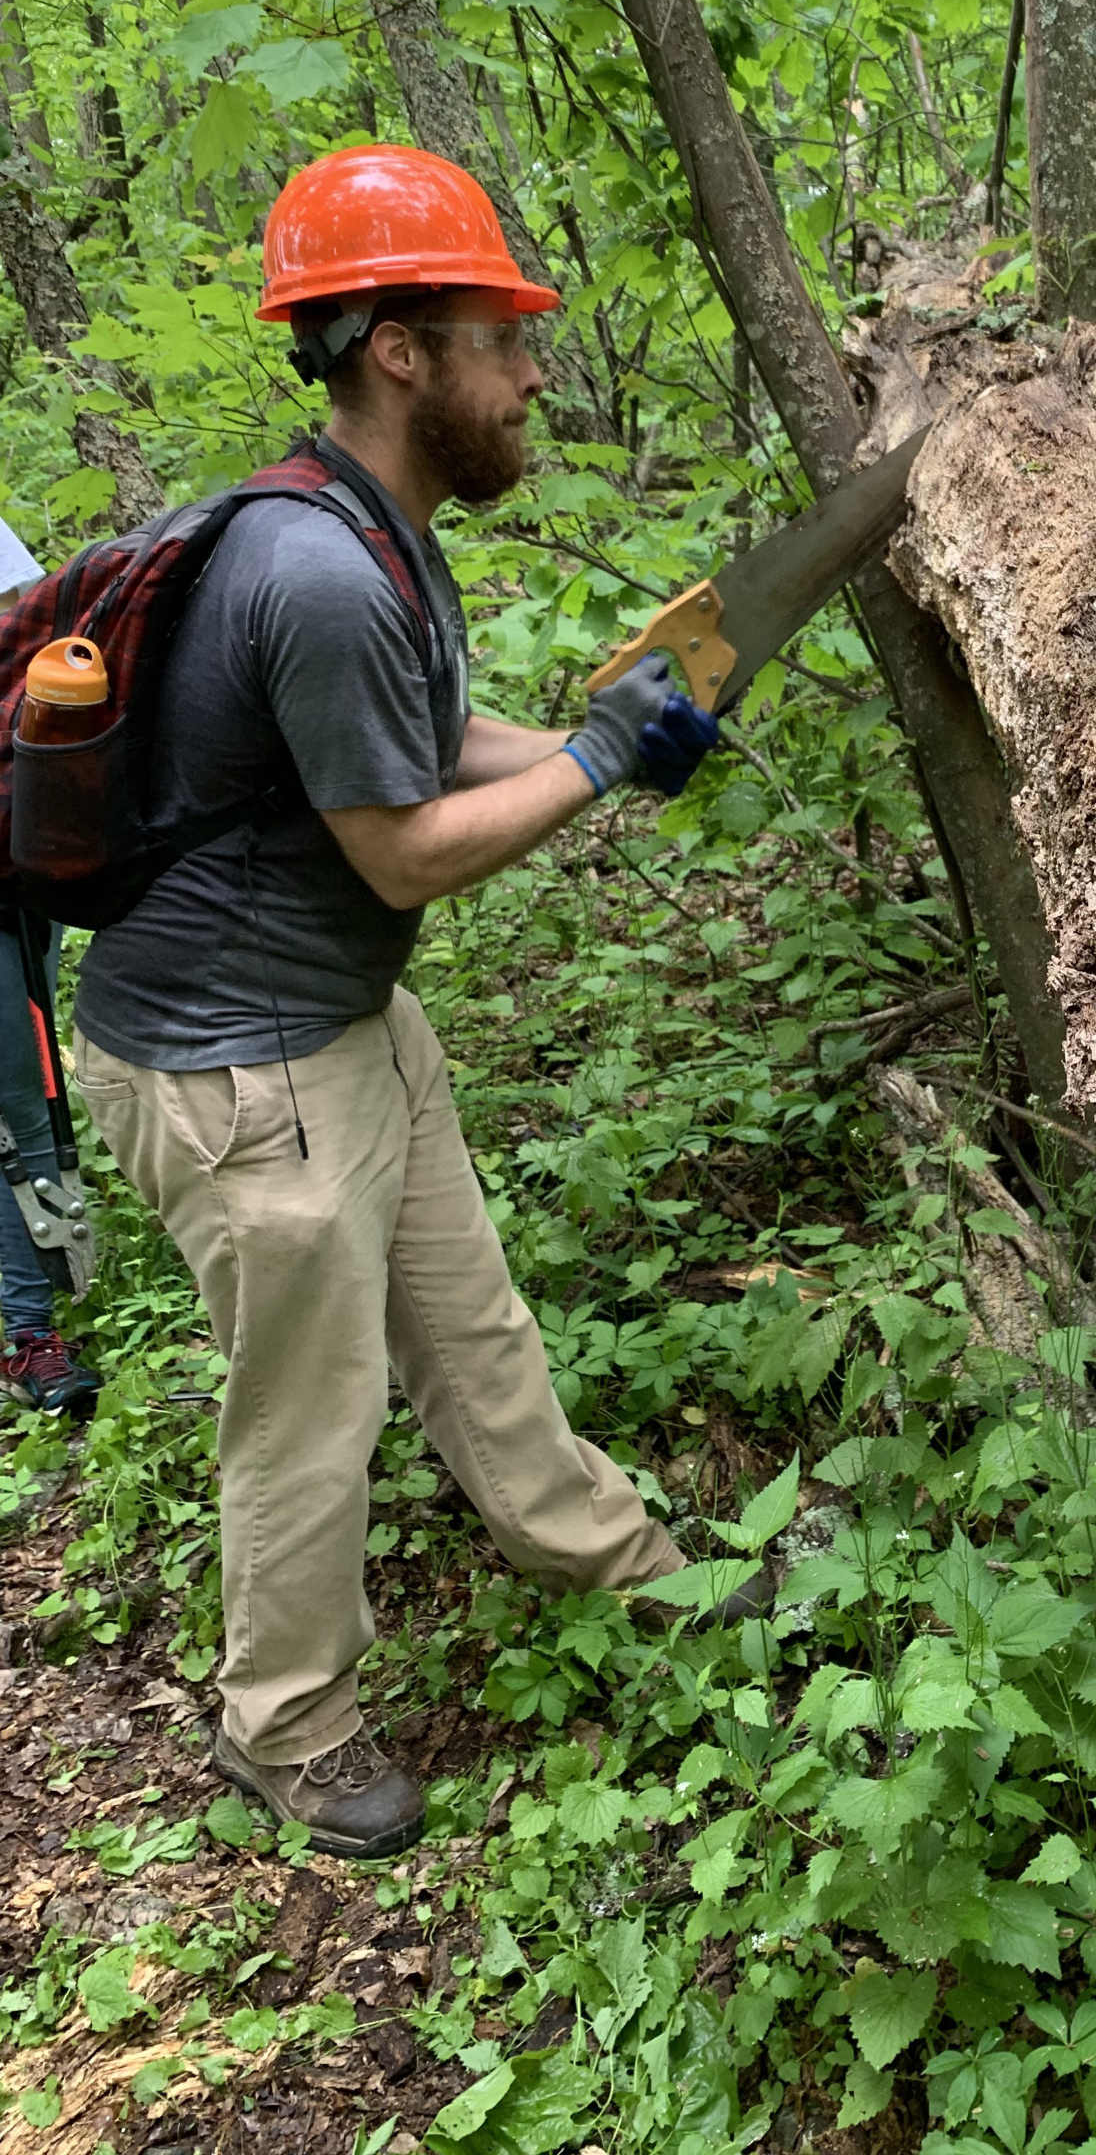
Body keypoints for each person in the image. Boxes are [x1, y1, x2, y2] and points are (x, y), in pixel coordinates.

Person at [70, 144, 761, 1862]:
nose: (532, 372)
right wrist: (594, 765)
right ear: (399, 351)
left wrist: (610, 754)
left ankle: (606, 1555)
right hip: (243, 1078)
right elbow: (399, 851)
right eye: (500, 335)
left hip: (344, 1029)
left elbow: (422, 743)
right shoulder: (309, 570)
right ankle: (284, 1722)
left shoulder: (371, 533)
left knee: (470, 1325)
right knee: (310, 1415)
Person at [0, 513, 100, 1419]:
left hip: (17, 862)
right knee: (12, 1117)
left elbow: (27, 629)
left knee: (32, 1102)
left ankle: (45, 1311)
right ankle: (32, 1337)